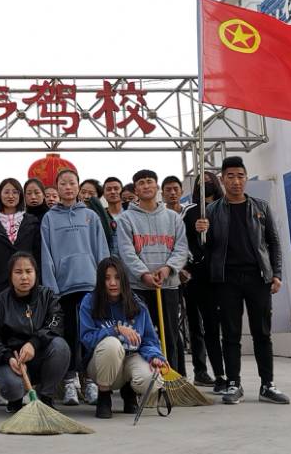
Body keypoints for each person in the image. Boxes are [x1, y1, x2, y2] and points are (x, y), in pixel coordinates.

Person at [195, 157, 288, 405]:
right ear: (222, 180)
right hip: (226, 280)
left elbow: (273, 243)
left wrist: (276, 274)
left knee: (262, 333)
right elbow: (205, 251)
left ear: (246, 178)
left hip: (258, 278)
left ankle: (267, 385)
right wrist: (201, 232)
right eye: (230, 176)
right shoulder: (211, 212)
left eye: (240, 176)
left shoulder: (261, 207)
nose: (236, 181)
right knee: (231, 334)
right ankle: (234, 384)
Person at [40, 169, 110, 406]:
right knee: (68, 334)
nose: (68, 187)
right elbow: (46, 255)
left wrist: (103, 283)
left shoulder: (90, 216)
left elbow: (102, 250)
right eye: (63, 183)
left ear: (78, 187)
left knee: (90, 335)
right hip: (64, 288)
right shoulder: (49, 219)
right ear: (57, 188)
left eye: (72, 183)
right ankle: (69, 382)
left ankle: (90, 381)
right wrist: (52, 288)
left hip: (91, 285)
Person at [116, 169, 189, 377]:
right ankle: (144, 380)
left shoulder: (173, 218)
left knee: (170, 335)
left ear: (156, 187)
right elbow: (126, 252)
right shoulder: (126, 219)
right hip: (139, 288)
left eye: (149, 181)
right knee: (140, 336)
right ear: (135, 189)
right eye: (141, 183)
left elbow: (181, 248)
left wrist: (167, 269)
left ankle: (174, 378)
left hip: (168, 286)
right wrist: (143, 274)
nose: (146, 185)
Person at [0, 252, 71, 412]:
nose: (24, 277)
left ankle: (46, 396)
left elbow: (55, 324)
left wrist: (34, 343)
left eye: (29, 271)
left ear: (36, 273)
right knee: (14, 387)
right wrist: (7, 357)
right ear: (10, 276)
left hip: (39, 357)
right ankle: (15, 400)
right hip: (11, 361)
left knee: (60, 347)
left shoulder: (48, 297)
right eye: (18, 272)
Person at [79, 257, 168, 419]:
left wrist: (155, 356)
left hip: (131, 358)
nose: (112, 283)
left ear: (124, 279)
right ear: (100, 281)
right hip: (100, 365)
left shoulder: (137, 304)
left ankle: (129, 391)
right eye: (107, 278)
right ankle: (104, 396)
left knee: (152, 380)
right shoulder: (90, 302)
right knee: (112, 344)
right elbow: (86, 338)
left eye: (117, 278)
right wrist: (115, 329)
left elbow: (149, 340)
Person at [161, 174, 213, 387]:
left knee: (196, 324)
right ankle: (176, 371)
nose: (172, 193)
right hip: (170, 275)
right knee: (172, 326)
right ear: (162, 193)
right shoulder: (159, 216)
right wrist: (176, 268)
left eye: (176, 189)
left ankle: (201, 371)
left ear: (182, 191)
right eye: (168, 189)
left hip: (194, 276)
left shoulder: (194, 212)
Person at [183, 171, 227, 392]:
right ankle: (206, 371)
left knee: (222, 327)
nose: (205, 184)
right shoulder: (190, 212)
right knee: (200, 326)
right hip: (196, 277)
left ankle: (229, 374)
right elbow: (181, 242)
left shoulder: (225, 208)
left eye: (209, 181)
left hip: (222, 276)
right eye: (201, 182)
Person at [0, 178, 42, 308]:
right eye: (6, 192)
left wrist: (38, 283)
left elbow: (38, 255)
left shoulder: (32, 221)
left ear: (20, 195)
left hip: (27, 283)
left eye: (15, 192)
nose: (10, 196)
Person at [81, 178, 115, 256]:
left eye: (91, 194)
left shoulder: (105, 215)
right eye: (83, 192)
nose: (86, 196)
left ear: (98, 197)